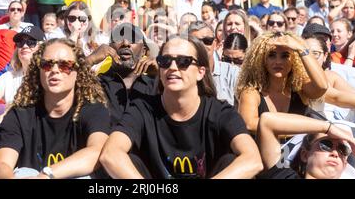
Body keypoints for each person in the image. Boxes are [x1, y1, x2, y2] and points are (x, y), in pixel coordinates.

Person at [99, 35, 263, 179]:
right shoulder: (142, 109)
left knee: (231, 161)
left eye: (184, 61)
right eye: (165, 61)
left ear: (200, 72)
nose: (173, 67)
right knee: (129, 161)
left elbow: (253, 159)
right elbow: (110, 154)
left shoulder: (219, 111)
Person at [0, 38, 110, 179]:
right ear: (39, 70)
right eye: (47, 65)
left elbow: (97, 152)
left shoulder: (93, 110)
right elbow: (2, 164)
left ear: (78, 71)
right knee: (23, 172)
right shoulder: (19, 114)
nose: (55, 70)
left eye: (65, 65)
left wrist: (47, 174)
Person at [236, 31, 329, 133]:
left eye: (285, 56)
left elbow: (322, 87)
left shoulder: (299, 87)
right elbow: (249, 124)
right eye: (271, 55)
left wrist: (301, 48)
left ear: (294, 60)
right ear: (261, 59)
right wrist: (302, 126)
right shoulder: (251, 92)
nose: (278, 61)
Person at [257, 112, 355, 179]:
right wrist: (327, 128)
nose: (335, 153)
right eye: (326, 145)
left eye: (343, 149)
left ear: (345, 165)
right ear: (305, 155)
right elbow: (267, 121)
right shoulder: (285, 176)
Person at [93, 23, 157, 126]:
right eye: (119, 38)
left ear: (143, 51)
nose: (126, 43)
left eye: (133, 39)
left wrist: (160, 75)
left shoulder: (155, 85)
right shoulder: (96, 84)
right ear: (109, 48)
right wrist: (90, 60)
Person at [0, 26, 44, 123]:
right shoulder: (8, 77)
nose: (24, 46)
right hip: (7, 128)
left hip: (33, 129)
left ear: (41, 48)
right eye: (20, 42)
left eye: (31, 42)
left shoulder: (45, 77)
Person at [188, 21, 240, 105]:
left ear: (215, 44)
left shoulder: (233, 72)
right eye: (196, 42)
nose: (202, 45)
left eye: (207, 41)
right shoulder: (183, 73)